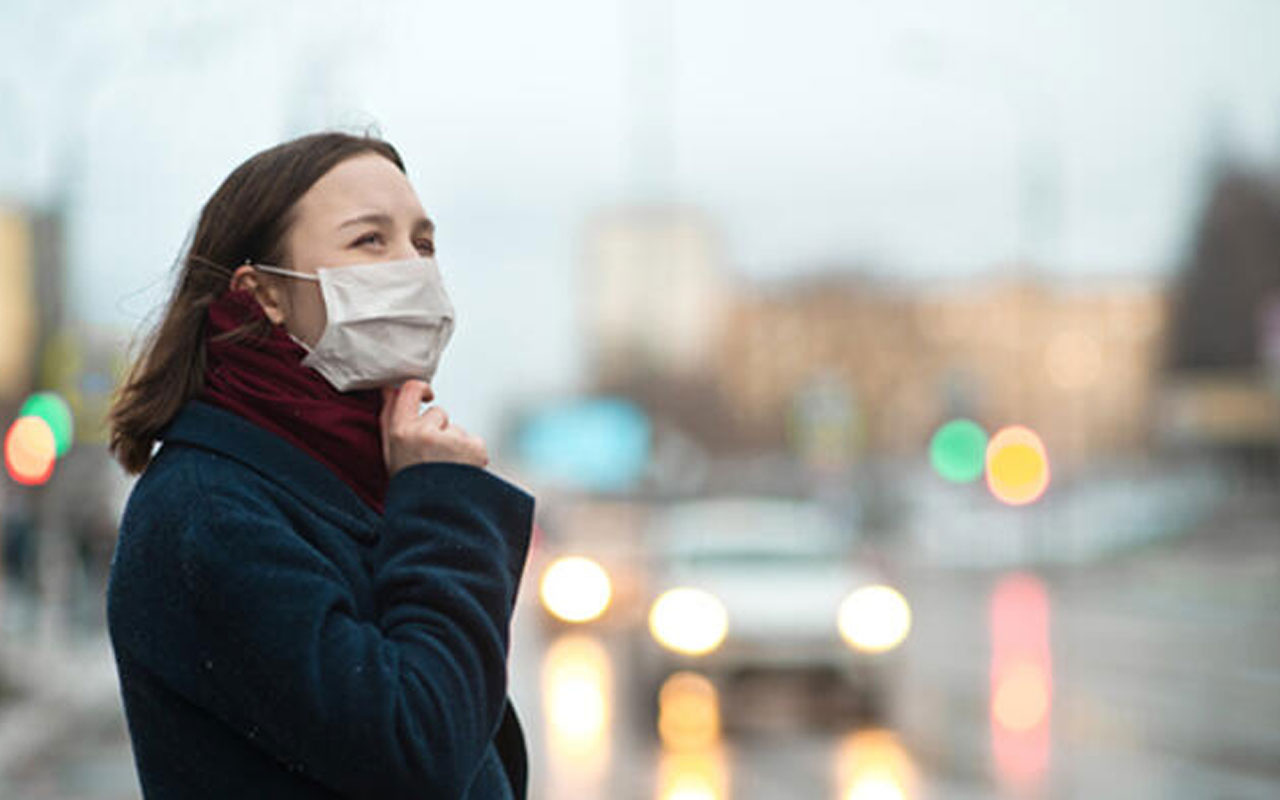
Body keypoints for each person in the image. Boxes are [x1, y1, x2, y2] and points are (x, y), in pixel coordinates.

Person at [104, 131, 535, 799]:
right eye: (370, 240)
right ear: (266, 295)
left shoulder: (346, 478)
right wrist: (443, 502)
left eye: (423, 243)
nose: (412, 268)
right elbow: (418, 751)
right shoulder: (211, 512)